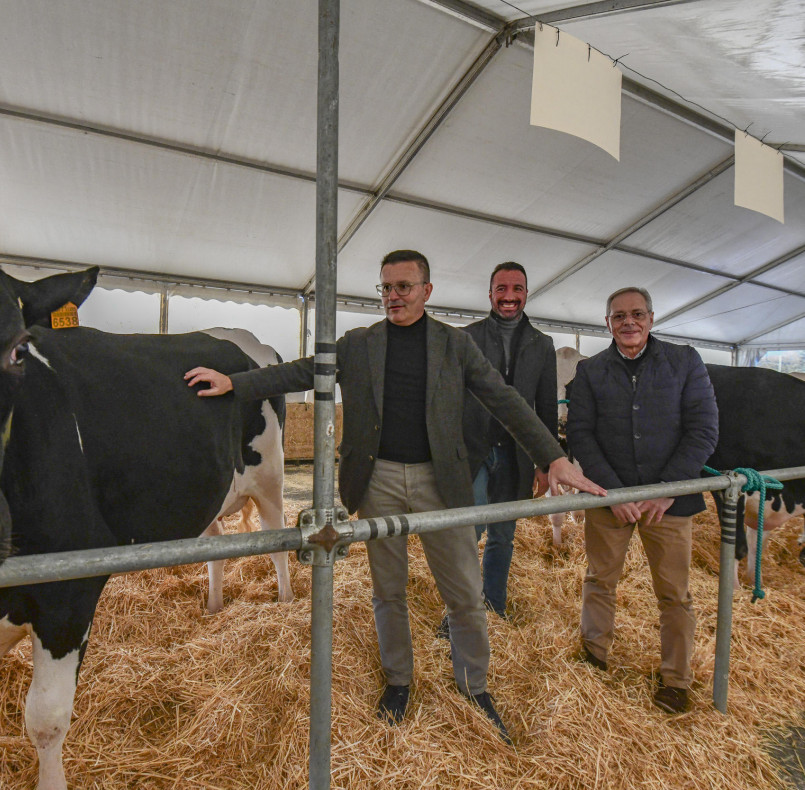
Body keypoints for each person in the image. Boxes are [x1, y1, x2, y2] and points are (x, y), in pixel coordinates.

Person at [185, 250, 605, 740]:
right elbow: (302, 371)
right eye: (386, 287)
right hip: (377, 478)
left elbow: (503, 398)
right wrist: (236, 382)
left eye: (404, 287)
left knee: (465, 593)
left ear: (428, 291)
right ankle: (399, 681)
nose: (393, 296)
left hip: (441, 481)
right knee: (388, 589)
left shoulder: (455, 345)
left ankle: (474, 686)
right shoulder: (359, 344)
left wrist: (551, 456)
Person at [566, 286, 718, 714]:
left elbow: (703, 429)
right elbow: (580, 434)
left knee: (674, 593)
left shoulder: (684, 361)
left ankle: (675, 679)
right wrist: (613, 492)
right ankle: (594, 656)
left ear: (651, 318)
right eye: (619, 316)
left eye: (636, 314)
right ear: (607, 323)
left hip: (667, 504)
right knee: (599, 580)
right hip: (608, 499)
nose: (628, 322)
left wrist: (666, 489)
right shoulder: (591, 370)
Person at [462, 261, 557, 619]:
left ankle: (495, 607)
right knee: (468, 534)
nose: (509, 297)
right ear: (490, 294)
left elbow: (546, 407)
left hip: (517, 453)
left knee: (503, 535)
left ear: (526, 294)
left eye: (516, 289)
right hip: (476, 452)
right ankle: (460, 610)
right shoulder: (466, 337)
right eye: (501, 289)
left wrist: (546, 463)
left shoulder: (543, 345)